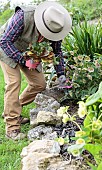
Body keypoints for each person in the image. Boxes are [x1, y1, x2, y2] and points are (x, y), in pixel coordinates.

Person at [0, 1, 72, 140]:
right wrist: (23, 60)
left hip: (29, 52)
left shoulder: (56, 27)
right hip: (7, 48)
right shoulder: (23, 16)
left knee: (39, 84)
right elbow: (4, 41)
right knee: (13, 82)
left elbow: (57, 52)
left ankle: (13, 108)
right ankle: (12, 127)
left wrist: (61, 75)